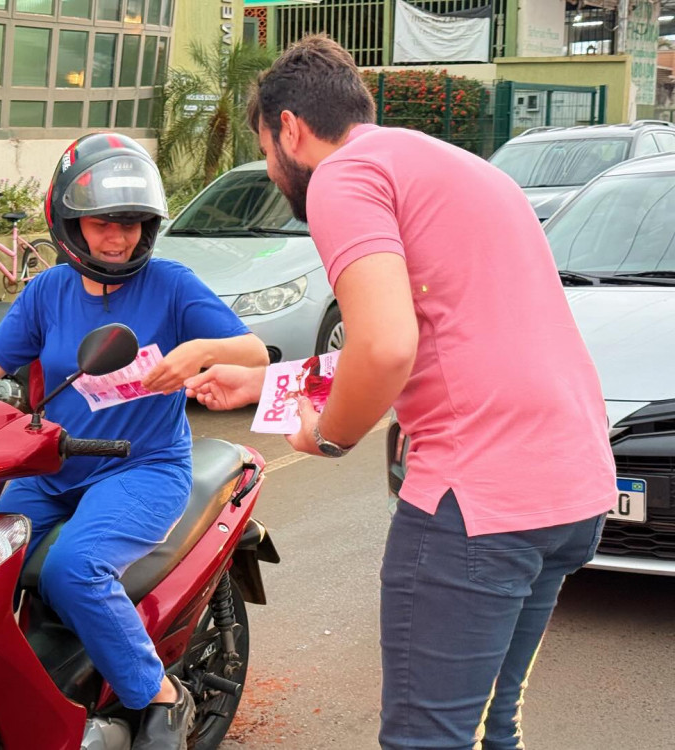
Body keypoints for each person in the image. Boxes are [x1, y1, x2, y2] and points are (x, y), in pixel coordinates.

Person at [185, 35, 615, 750]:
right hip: (571, 487)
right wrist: (265, 382)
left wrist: (328, 437)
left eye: (265, 150)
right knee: (491, 726)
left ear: (289, 128)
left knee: (428, 740)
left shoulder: (342, 176)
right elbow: (436, 340)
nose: (272, 169)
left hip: (478, 500)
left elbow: (385, 348)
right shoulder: (457, 168)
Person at [0, 133, 269, 749]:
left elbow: (253, 351)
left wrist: (200, 351)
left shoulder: (171, 284)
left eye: (131, 223)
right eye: (103, 224)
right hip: (51, 466)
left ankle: (160, 695)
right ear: (71, 224)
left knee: (74, 569)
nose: (118, 239)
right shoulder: (48, 291)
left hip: (143, 469)